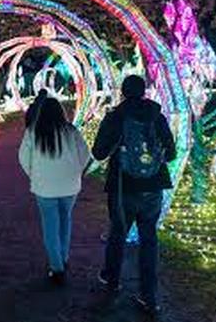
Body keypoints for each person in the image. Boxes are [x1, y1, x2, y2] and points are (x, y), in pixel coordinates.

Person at [92, 75, 176, 314]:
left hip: (123, 187)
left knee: (118, 233)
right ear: (144, 91)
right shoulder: (157, 117)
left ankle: (111, 280)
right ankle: (149, 296)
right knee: (149, 240)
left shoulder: (115, 117)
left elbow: (99, 153)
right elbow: (170, 154)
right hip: (153, 188)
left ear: (123, 92)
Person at [18, 97, 91, 286]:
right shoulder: (71, 131)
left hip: (44, 188)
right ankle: (63, 258)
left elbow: (23, 158)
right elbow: (84, 155)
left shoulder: (33, 132)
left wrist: (35, 174)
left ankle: (56, 267)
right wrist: (76, 171)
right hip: (69, 186)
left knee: (50, 226)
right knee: (65, 220)